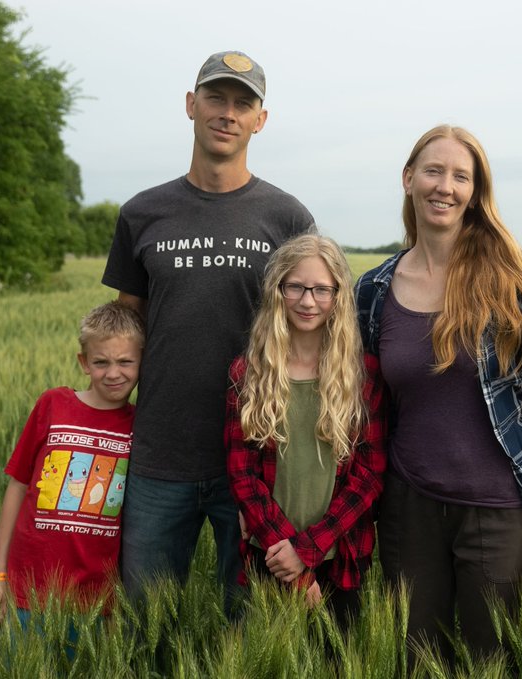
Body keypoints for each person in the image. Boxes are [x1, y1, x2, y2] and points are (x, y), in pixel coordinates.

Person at [102, 50, 314, 610]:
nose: (228, 113)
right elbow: (126, 327)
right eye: (216, 98)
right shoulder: (142, 213)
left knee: (247, 628)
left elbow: (314, 328)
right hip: (159, 454)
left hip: (258, 458)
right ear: (191, 105)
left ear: (260, 121)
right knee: (145, 624)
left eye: (243, 103)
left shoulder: (288, 218)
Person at [354, 125, 522, 663]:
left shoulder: (513, 278)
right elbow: (361, 399)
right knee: (416, 658)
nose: (446, 186)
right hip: (407, 503)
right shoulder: (373, 289)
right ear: (409, 179)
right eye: (434, 171)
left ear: (475, 190)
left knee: (492, 659)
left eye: (461, 175)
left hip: (497, 508)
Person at [225, 233, 387, 628]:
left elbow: (369, 474)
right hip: (271, 555)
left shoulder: (362, 374)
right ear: (277, 290)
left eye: (321, 289)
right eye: (295, 287)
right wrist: (294, 564)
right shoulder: (248, 373)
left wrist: (310, 550)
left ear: (339, 296)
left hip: (339, 556)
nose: (308, 301)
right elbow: (242, 473)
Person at [0, 301, 144, 646]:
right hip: (27, 590)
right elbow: (18, 485)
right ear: (84, 362)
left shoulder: (140, 425)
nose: (113, 373)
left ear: (143, 361)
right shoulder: (53, 404)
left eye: (126, 361)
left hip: (95, 600)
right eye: (101, 362)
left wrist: (118, 604)